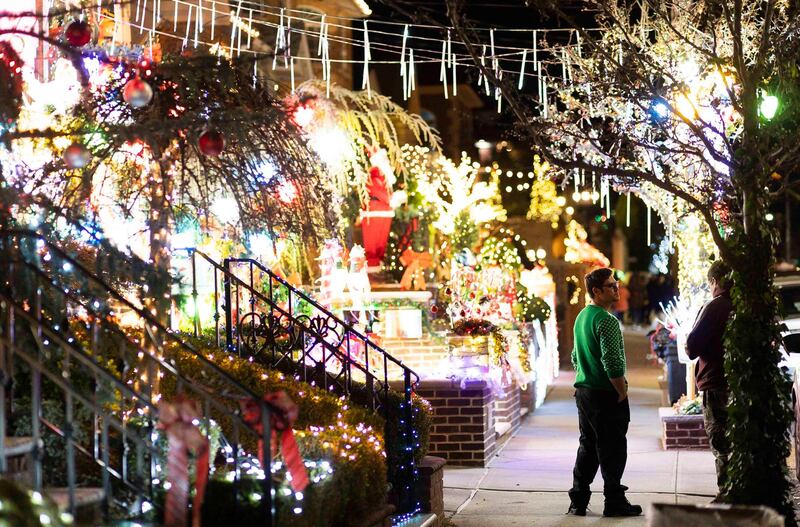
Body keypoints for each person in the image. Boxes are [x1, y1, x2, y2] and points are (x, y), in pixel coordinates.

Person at [568, 268, 642, 517]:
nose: (616, 288)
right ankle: (614, 501)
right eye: (610, 286)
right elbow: (613, 362)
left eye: (616, 284)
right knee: (612, 448)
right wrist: (621, 390)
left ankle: (578, 499)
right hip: (605, 393)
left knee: (588, 445)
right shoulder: (607, 321)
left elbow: (575, 356)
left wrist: (582, 378)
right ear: (596, 291)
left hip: (585, 392)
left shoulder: (582, 317)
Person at [686, 260, 733, 501]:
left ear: (715, 281)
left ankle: (727, 491)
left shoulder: (713, 307)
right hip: (737, 381)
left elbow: (692, 347)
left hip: (715, 381)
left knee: (720, 439)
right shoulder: (746, 305)